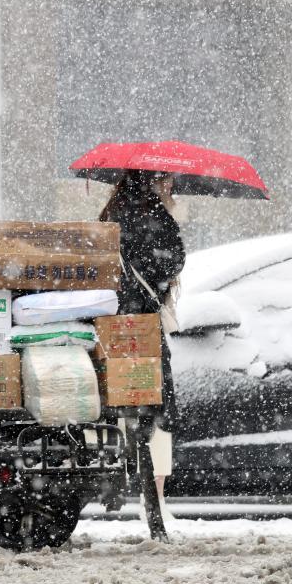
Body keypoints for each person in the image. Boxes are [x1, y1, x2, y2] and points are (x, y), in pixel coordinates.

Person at [99, 170, 185, 523]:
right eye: (167, 182)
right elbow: (171, 261)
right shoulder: (153, 215)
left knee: (117, 403)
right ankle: (154, 499)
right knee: (154, 404)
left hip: (111, 323)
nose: (171, 188)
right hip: (143, 325)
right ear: (156, 181)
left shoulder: (110, 214)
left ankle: (116, 483)